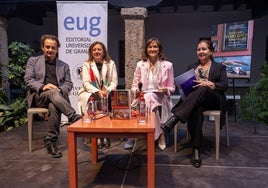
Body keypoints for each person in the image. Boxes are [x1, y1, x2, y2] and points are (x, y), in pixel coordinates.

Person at [161, 39, 228, 168]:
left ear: (211, 52)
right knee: (197, 109)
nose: (201, 52)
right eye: (199, 49)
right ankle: (196, 149)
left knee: (203, 88)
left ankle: (174, 118)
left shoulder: (219, 67)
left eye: (204, 49)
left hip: (213, 99)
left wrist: (209, 83)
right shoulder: (192, 67)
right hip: (196, 101)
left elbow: (224, 85)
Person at [24, 34, 82, 158]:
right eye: (47, 47)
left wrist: (59, 89)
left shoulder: (64, 65)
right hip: (39, 96)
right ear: (43, 47)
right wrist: (44, 87)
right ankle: (72, 116)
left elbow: (69, 84)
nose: (50, 50)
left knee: (53, 105)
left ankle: (51, 142)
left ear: (57, 49)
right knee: (52, 92)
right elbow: (28, 80)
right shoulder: (33, 61)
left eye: (53, 48)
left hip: (56, 98)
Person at [124, 37, 175, 151]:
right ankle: (159, 134)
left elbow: (172, 87)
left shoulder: (168, 65)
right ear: (146, 49)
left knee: (149, 97)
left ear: (159, 49)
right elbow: (134, 85)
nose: (152, 49)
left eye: (155, 46)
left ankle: (136, 136)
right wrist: (136, 90)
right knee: (148, 97)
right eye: (150, 46)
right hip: (144, 96)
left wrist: (165, 89)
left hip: (161, 96)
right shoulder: (140, 65)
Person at [78, 41, 118, 149]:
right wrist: (98, 91)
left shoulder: (111, 63)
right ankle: (100, 135)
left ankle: (106, 134)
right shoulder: (87, 65)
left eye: (99, 49)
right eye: (94, 49)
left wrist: (107, 89)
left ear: (103, 52)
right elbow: (86, 83)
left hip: (106, 91)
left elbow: (114, 82)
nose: (97, 51)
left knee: (108, 97)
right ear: (91, 52)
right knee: (95, 99)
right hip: (92, 91)